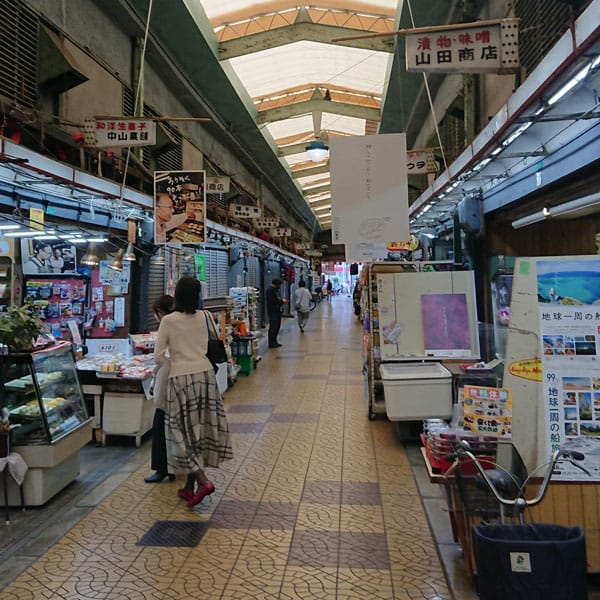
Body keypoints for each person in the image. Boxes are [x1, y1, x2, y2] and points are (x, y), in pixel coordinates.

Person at [154, 277, 232, 507]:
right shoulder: (205, 316)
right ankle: (189, 487)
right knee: (197, 430)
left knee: (179, 432)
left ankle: (202, 480)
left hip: (180, 379)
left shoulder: (168, 320)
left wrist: (173, 363)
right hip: (206, 377)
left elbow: (159, 356)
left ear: (177, 295)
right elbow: (212, 343)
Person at [144, 295, 175, 483]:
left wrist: (163, 367)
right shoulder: (188, 320)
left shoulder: (167, 323)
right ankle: (176, 467)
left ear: (160, 312)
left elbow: (159, 356)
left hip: (168, 380)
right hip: (184, 380)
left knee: (160, 423)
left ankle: (162, 468)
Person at [266, 278, 286, 348]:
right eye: (279, 285)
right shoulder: (270, 290)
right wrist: (281, 301)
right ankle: (272, 342)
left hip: (277, 311)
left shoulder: (275, 290)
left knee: (277, 326)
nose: (280, 287)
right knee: (273, 327)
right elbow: (273, 300)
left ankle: (274, 341)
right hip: (273, 311)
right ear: (276, 284)